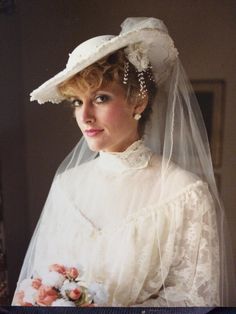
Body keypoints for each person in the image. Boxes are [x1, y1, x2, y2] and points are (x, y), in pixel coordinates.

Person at [12, 17, 235, 307]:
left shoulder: (186, 193)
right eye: (78, 102)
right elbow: (39, 280)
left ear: (138, 102)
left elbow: (195, 299)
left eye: (101, 98)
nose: (85, 116)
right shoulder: (67, 185)